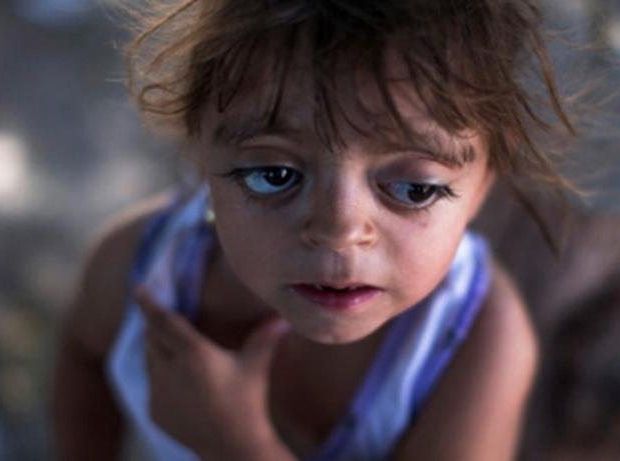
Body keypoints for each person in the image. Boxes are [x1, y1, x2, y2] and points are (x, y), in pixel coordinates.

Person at [52, 0, 577, 459]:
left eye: (416, 188)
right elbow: (83, 358)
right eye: (273, 175)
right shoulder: (140, 270)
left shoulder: (481, 344)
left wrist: (236, 446)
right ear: (199, 155)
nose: (339, 230)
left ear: (484, 180)